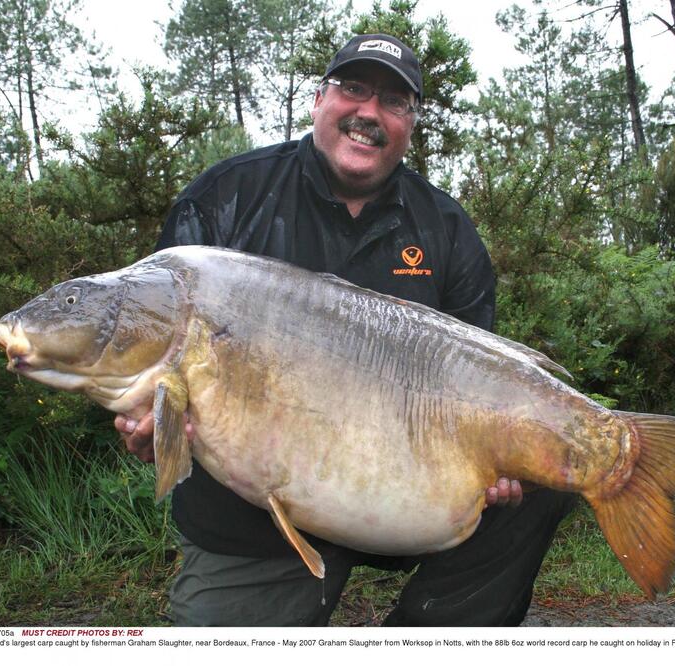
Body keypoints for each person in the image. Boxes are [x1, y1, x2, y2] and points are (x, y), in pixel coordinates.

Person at [115, 33, 576, 626]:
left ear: (411, 122)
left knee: (551, 480)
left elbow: (477, 384)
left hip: (406, 487)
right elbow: (152, 354)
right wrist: (153, 421)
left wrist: (503, 464)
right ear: (319, 98)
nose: (368, 113)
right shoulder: (225, 200)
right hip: (253, 512)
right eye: (353, 89)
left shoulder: (447, 230)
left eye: (393, 100)